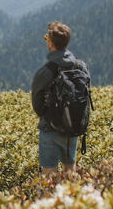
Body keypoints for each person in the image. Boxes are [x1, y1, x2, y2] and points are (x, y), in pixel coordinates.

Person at [31, 21, 89, 176]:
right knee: (70, 171)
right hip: (73, 127)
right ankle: (71, 199)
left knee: (49, 175)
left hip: (50, 128)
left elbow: (37, 105)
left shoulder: (45, 71)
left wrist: (51, 115)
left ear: (50, 42)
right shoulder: (80, 66)